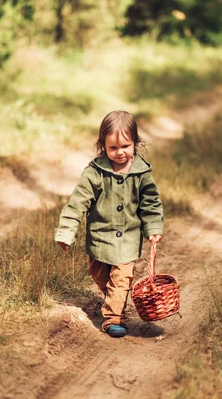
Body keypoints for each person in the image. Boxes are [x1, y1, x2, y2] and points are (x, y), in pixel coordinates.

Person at [54, 110, 164, 338]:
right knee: (98, 273)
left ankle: (114, 317)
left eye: (126, 146)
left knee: (122, 277)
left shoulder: (141, 173)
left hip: (128, 238)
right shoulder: (95, 172)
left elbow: (151, 204)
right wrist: (66, 231)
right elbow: (77, 202)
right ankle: (113, 296)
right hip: (99, 237)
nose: (120, 152)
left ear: (135, 143)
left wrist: (153, 228)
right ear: (102, 145)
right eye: (113, 148)